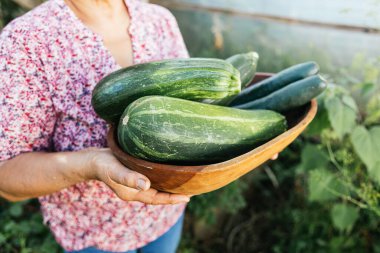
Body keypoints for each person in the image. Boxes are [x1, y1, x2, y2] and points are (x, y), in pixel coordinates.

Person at [0, 0, 192, 252]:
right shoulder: (25, 42)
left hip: (165, 217)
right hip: (94, 236)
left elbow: (189, 109)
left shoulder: (159, 20)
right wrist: (91, 165)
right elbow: (6, 177)